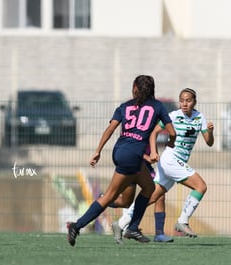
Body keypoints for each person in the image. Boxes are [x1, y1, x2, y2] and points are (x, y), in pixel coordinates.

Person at [66, 75, 176, 246]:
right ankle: (76, 225)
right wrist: (171, 143)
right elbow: (172, 132)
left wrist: (98, 151)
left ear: (135, 88)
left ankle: (132, 227)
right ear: (152, 89)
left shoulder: (125, 106)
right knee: (110, 196)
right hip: (133, 155)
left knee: (149, 187)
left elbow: (110, 129)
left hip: (121, 151)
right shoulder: (158, 106)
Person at [113, 88, 214, 241]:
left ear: (195, 102)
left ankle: (121, 223)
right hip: (170, 159)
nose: (184, 104)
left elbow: (209, 142)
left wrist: (211, 132)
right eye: (182, 100)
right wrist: (153, 152)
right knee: (201, 186)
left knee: (152, 196)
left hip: (178, 161)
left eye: (188, 100)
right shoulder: (173, 116)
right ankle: (182, 221)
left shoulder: (200, 117)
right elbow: (154, 133)